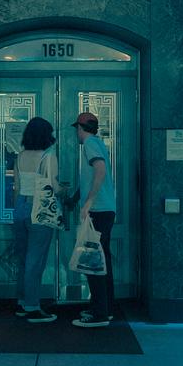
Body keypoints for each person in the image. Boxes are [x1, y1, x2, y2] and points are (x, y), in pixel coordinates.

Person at [13, 116, 63, 324]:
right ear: (45, 135)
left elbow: (16, 187)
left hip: (20, 208)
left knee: (24, 259)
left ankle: (23, 301)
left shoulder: (20, 156)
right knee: (36, 260)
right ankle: (33, 307)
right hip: (40, 209)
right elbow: (53, 186)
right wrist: (65, 191)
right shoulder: (48, 157)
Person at [70, 111, 116, 328]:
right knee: (102, 260)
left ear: (80, 128)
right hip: (105, 210)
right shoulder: (98, 143)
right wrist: (75, 199)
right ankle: (105, 308)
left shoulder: (89, 144)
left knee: (93, 262)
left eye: (77, 129)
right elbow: (91, 178)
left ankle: (99, 314)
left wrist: (88, 202)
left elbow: (100, 170)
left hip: (97, 211)